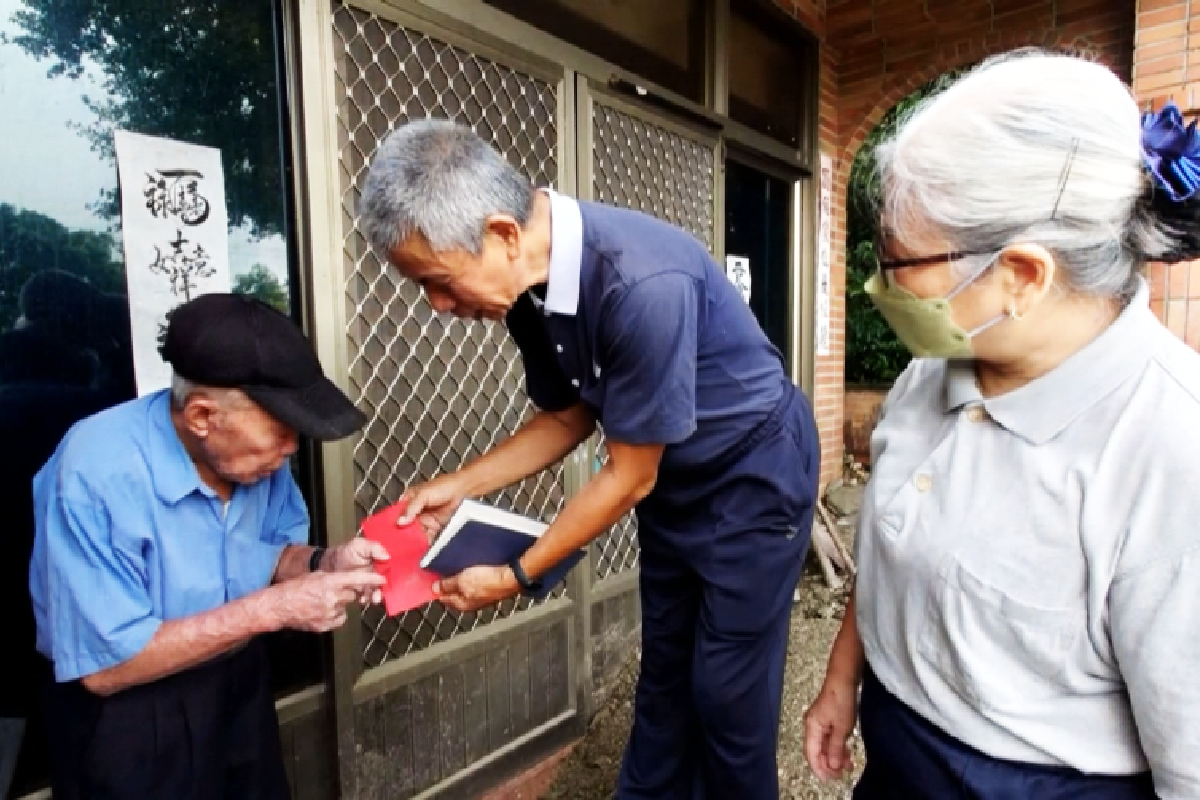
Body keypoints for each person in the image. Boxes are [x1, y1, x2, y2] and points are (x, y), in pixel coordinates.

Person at [359, 119, 820, 800]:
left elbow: (631, 476)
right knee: (665, 670)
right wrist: (460, 484)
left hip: (752, 472)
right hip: (673, 473)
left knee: (726, 689)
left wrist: (517, 575)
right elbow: (568, 415)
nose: (438, 305)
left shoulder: (640, 283)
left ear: (502, 235)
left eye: (440, 281)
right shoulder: (527, 288)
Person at [803, 51, 1200, 800]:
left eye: (899, 262)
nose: (878, 286)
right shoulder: (934, 368)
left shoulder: (1172, 454)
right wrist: (842, 678)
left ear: (1021, 275)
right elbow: (895, 549)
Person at [29, 293, 389, 800]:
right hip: (131, 714)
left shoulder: (257, 462)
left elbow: (269, 553)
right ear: (201, 416)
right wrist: (273, 609)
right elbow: (105, 668)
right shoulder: (95, 473)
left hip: (236, 682)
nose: (291, 449)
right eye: (281, 431)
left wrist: (323, 562)